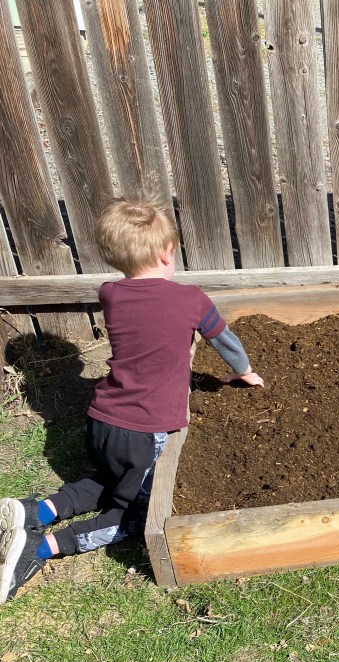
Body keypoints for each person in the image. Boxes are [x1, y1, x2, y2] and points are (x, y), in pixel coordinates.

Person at [0, 197, 264, 603]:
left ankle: (37, 510)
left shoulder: (110, 294)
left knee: (109, 479)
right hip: (146, 432)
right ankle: (38, 549)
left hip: (102, 420)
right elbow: (224, 340)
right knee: (134, 514)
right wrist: (244, 371)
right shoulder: (191, 299)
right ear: (167, 252)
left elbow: (150, 329)